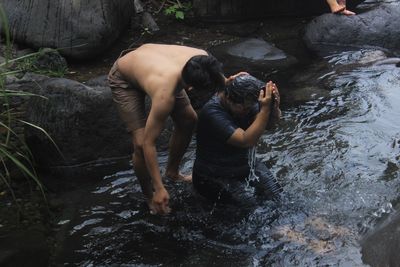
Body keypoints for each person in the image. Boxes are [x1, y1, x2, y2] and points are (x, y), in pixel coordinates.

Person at [108, 43, 243, 215]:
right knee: (141, 144)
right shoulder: (165, 95)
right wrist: (159, 187)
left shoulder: (200, 58)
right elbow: (149, 143)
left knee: (188, 119)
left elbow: (213, 71)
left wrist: (227, 82)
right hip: (125, 77)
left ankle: (172, 172)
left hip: (153, 62)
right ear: (190, 89)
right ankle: (150, 195)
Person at [192, 74, 283, 208]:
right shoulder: (212, 112)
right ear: (228, 98)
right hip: (214, 175)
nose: (247, 111)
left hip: (246, 167)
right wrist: (264, 109)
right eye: (244, 108)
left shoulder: (247, 102)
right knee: (253, 209)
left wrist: (273, 107)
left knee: (279, 198)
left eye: (250, 107)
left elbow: (269, 125)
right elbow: (246, 140)